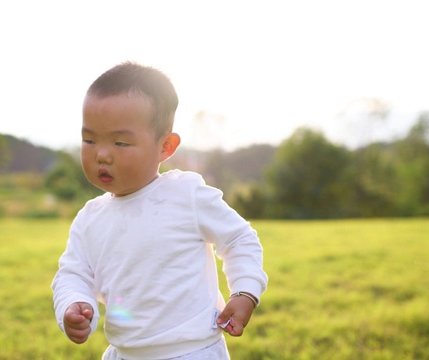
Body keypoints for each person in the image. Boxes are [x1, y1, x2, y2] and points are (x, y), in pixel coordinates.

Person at [51, 62, 268, 359]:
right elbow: (73, 274)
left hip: (192, 351)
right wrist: (72, 303)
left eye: (120, 142)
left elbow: (239, 239)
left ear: (165, 146)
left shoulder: (185, 194)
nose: (101, 153)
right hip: (125, 353)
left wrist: (245, 291)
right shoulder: (89, 219)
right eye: (89, 139)